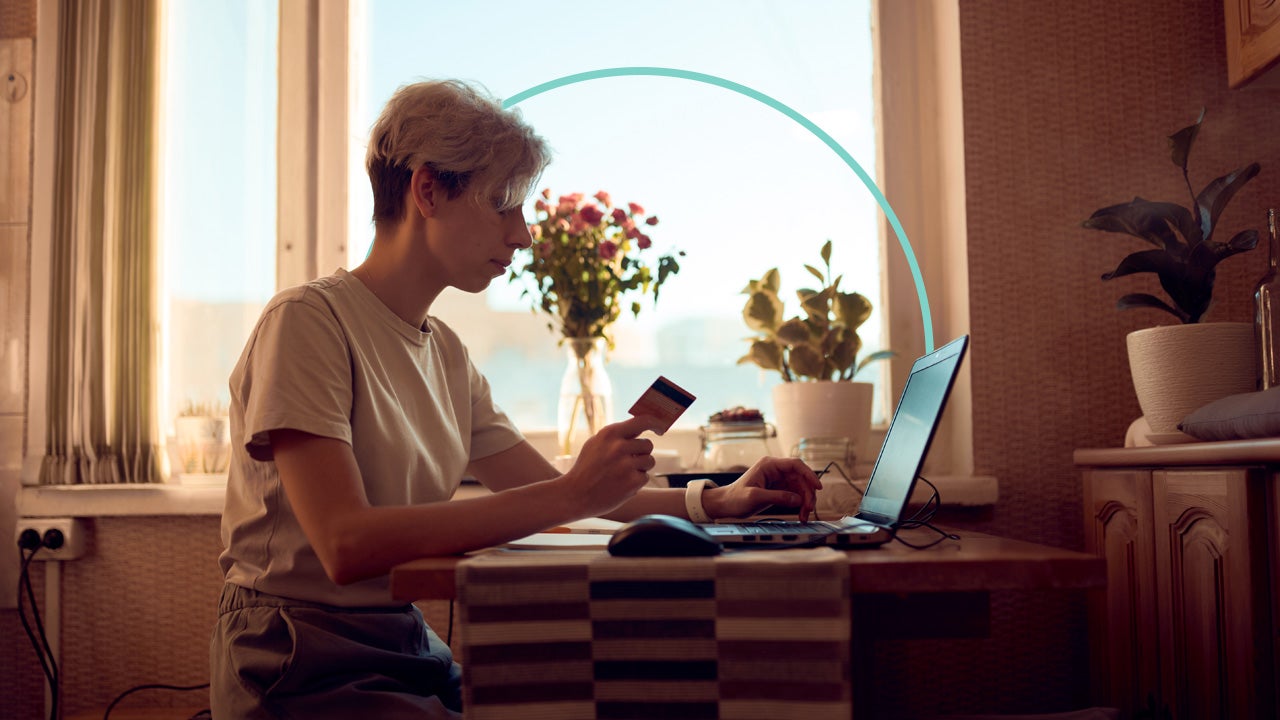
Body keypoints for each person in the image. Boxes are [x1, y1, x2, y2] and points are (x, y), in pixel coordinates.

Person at [209, 79, 822, 719]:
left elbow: (560, 493)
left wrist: (716, 501)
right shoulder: (307, 322)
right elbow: (345, 545)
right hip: (298, 654)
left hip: (404, 639)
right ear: (428, 191)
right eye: (504, 204)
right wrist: (572, 493)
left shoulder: (446, 355)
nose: (523, 235)